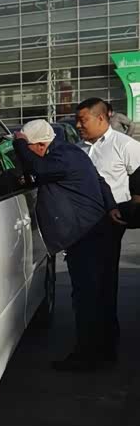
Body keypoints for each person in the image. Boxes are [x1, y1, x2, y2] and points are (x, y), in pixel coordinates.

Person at [13, 119, 121, 372]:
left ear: (41, 145)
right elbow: (100, 181)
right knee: (99, 296)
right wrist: (111, 206)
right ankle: (105, 350)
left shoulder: (61, 156)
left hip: (86, 238)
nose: (27, 155)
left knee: (87, 298)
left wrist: (19, 145)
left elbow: (38, 168)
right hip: (93, 233)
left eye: (30, 149)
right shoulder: (70, 152)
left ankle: (86, 356)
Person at [76, 98, 140, 346]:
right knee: (86, 283)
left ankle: (106, 340)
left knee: (103, 280)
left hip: (111, 219)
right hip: (82, 221)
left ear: (101, 118)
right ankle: (90, 338)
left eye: (83, 120)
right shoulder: (79, 148)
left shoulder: (124, 145)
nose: (78, 125)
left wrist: (133, 206)